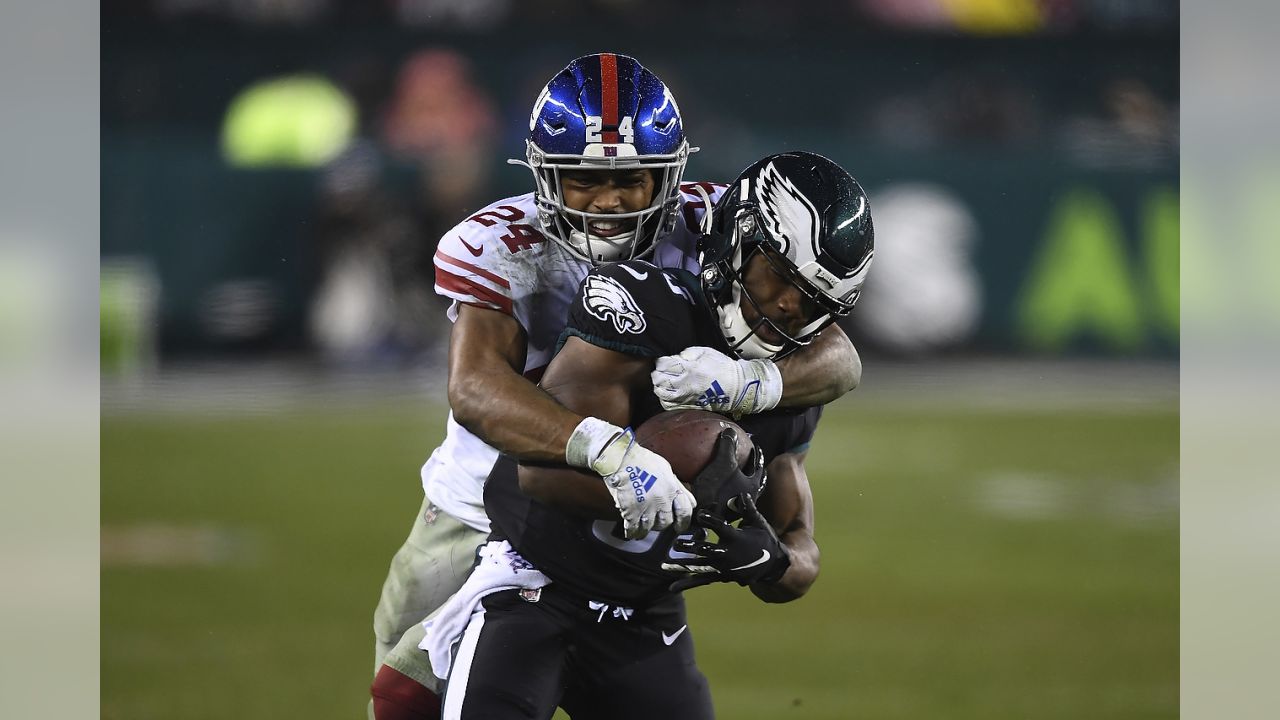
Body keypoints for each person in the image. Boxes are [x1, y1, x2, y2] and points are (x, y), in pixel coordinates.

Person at [370, 54, 864, 718]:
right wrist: (605, 450)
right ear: (546, 175)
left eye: (632, 179)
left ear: (669, 175)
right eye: (583, 180)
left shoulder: (713, 220)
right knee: (406, 705)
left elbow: (838, 356)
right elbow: (477, 389)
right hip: (487, 508)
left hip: (633, 517)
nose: (608, 200)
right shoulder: (499, 243)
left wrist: (748, 385)